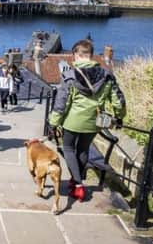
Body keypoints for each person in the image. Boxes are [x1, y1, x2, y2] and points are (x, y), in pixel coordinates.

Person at [49, 39, 126, 202]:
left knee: (68, 148)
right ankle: (76, 182)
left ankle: (77, 184)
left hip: (72, 121)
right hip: (93, 122)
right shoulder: (106, 76)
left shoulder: (69, 76)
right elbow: (118, 100)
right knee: (83, 150)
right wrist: (119, 117)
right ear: (90, 55)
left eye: (73, 56)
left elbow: (61, 104)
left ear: (77, 55)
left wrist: (53, 123)